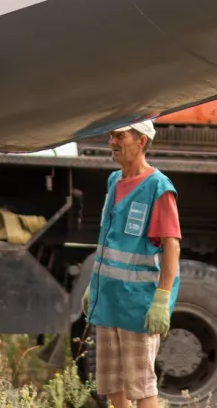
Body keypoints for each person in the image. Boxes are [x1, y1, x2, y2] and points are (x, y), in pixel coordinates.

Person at [83, 120, 182, 408]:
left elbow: (171, 245)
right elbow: (109, 241)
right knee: (112, 383)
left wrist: (162, 299)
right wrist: (93, 286)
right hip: (108, 300)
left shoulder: (158, 187)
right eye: (111, 135)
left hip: (138, 303)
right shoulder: (114, 181)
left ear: (141, 141)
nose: (112, 142)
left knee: (140, 385)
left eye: (120, 136)